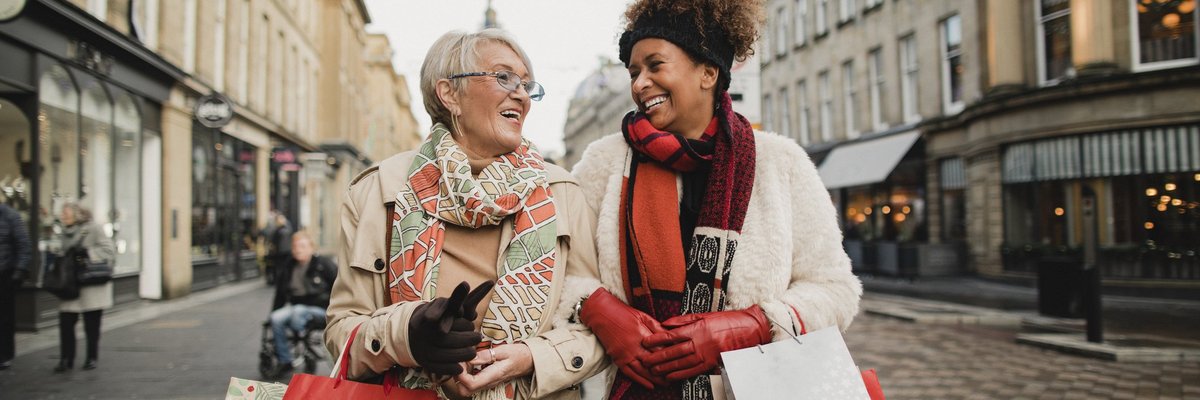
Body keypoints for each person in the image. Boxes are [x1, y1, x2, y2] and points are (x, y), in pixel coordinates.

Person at [570, 0, 864, 398]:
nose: (639, 84)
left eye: (655, 66)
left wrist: (755, 325)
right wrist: (598, 309)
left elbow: (836, 289)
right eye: (634, 72)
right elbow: (563, 272)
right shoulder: (603, 163)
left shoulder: (780, 162)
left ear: (708, 73)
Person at [325, 28, 608, 400]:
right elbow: (339, 332)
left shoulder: (562, 193)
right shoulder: (378, 190)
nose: (521, 94)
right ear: (449, 93)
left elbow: (596, 327)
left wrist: (531, 357)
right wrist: (407, 336)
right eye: (504, 77)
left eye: (526, 84)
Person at [266, 230, 337, 377]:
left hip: (321, 309)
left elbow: (338, 287)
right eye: (295, 246)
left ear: (311, 247)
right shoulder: (288, 266)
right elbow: (280, 294)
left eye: (302, 246)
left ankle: (301, 337)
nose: (298, 249)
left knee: (298, 311)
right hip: (296, 308)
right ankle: (285, 360)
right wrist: (273, 312)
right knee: (276, 318)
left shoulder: (323, 264)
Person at [53, 202, 115, 372]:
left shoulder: (93, 229)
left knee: (91, 325)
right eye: (62, 214)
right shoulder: (61, 233)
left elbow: (109, 251)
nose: (63, 217)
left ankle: (91, 357)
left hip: (90, 284)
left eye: (66, 214)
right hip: (69, 284)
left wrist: (88, 253)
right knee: (65, 322)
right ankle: (66, 359)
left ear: (77, 214)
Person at [0, 203, 32, 370]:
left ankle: (4, 354)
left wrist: (20, 270)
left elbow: (23, 245)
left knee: (4, 316)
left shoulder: (10, 215)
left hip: (4, 273)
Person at [264, 212, 293, 286]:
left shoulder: (277, 230)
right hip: (286, 251)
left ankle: (278, 280)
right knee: (284, 267)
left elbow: (272, 241)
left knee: (279, 267)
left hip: (280, 252)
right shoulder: (288, 228)